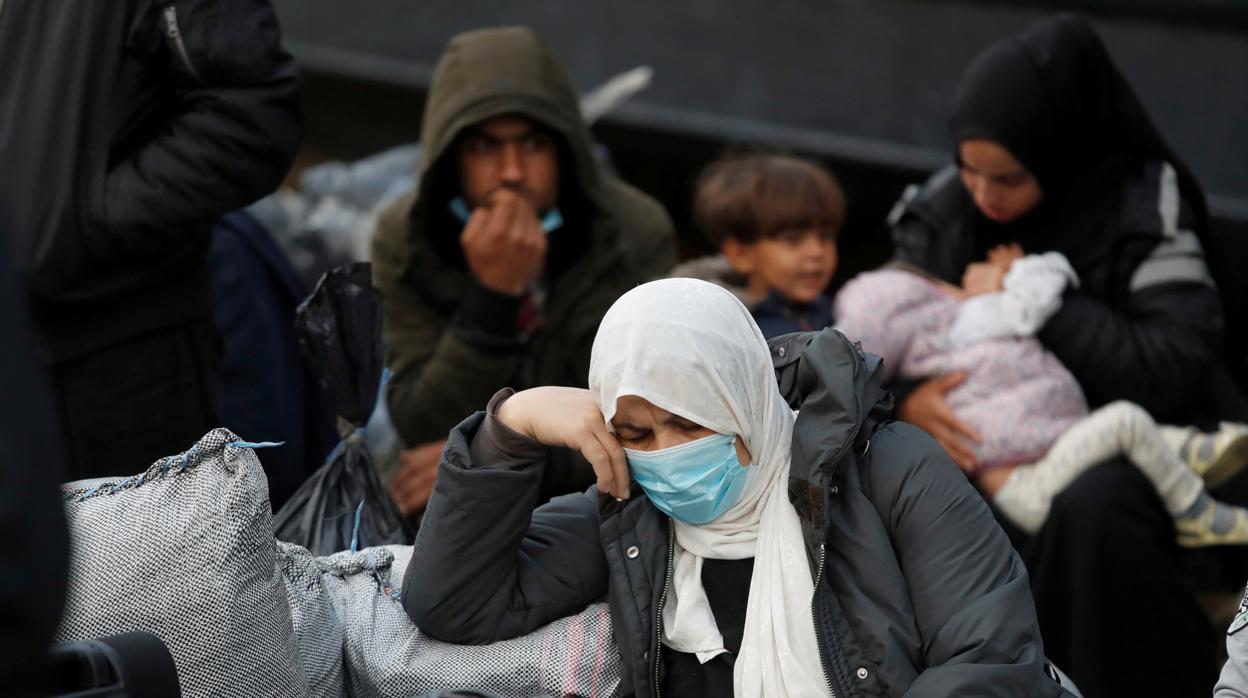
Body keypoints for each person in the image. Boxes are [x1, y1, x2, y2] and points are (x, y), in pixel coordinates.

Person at [401, 278, 1072, 697]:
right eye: (637, 433)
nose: (667, 454)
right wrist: (508, 429)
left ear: (743, 400)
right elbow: (452, 605)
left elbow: (992, 656)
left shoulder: (889, 470)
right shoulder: (633, 508)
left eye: (689, 423)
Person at [886, 14, 1248, 696]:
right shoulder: (946, 206)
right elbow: (887, 329)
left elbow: (1176, 361)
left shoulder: (1142, 203)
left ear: (1059, 152)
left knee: (1090, 510)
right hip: (989, 443)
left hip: (1139, 436)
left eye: (1008, 179)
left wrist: (1043, 300)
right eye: (969, 170)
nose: (984, 197)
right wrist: (910, 399)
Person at [372, 27, 676, 516]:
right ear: (452, 159)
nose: (511, 170)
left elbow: (653, 422)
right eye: (485, 148)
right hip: (458, 499)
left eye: (533, 145)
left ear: (563, 150)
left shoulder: (629, 233)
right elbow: (422, 424)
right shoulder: (410, 236)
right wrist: (493, 299)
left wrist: (501, 462)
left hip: (593, 496)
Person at [0, 0, 302, 478]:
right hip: (21, 345)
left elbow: (252, 114)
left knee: (131, 552)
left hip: (121, 355)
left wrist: (86, 220)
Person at [834, 262, 1248, 544]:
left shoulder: (962, 334)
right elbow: (856, 364)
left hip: (1045, 449)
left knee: (1131, 434)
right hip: (1022, 490)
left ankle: (1195, 453)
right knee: (1125, 422)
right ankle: (1195, 513)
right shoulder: (932, 351)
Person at [672, 153, 844, 337]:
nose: (817, 252)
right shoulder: (724, 331)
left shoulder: (842, 316)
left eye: (825, 237)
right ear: (741, 255)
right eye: (792, 240)